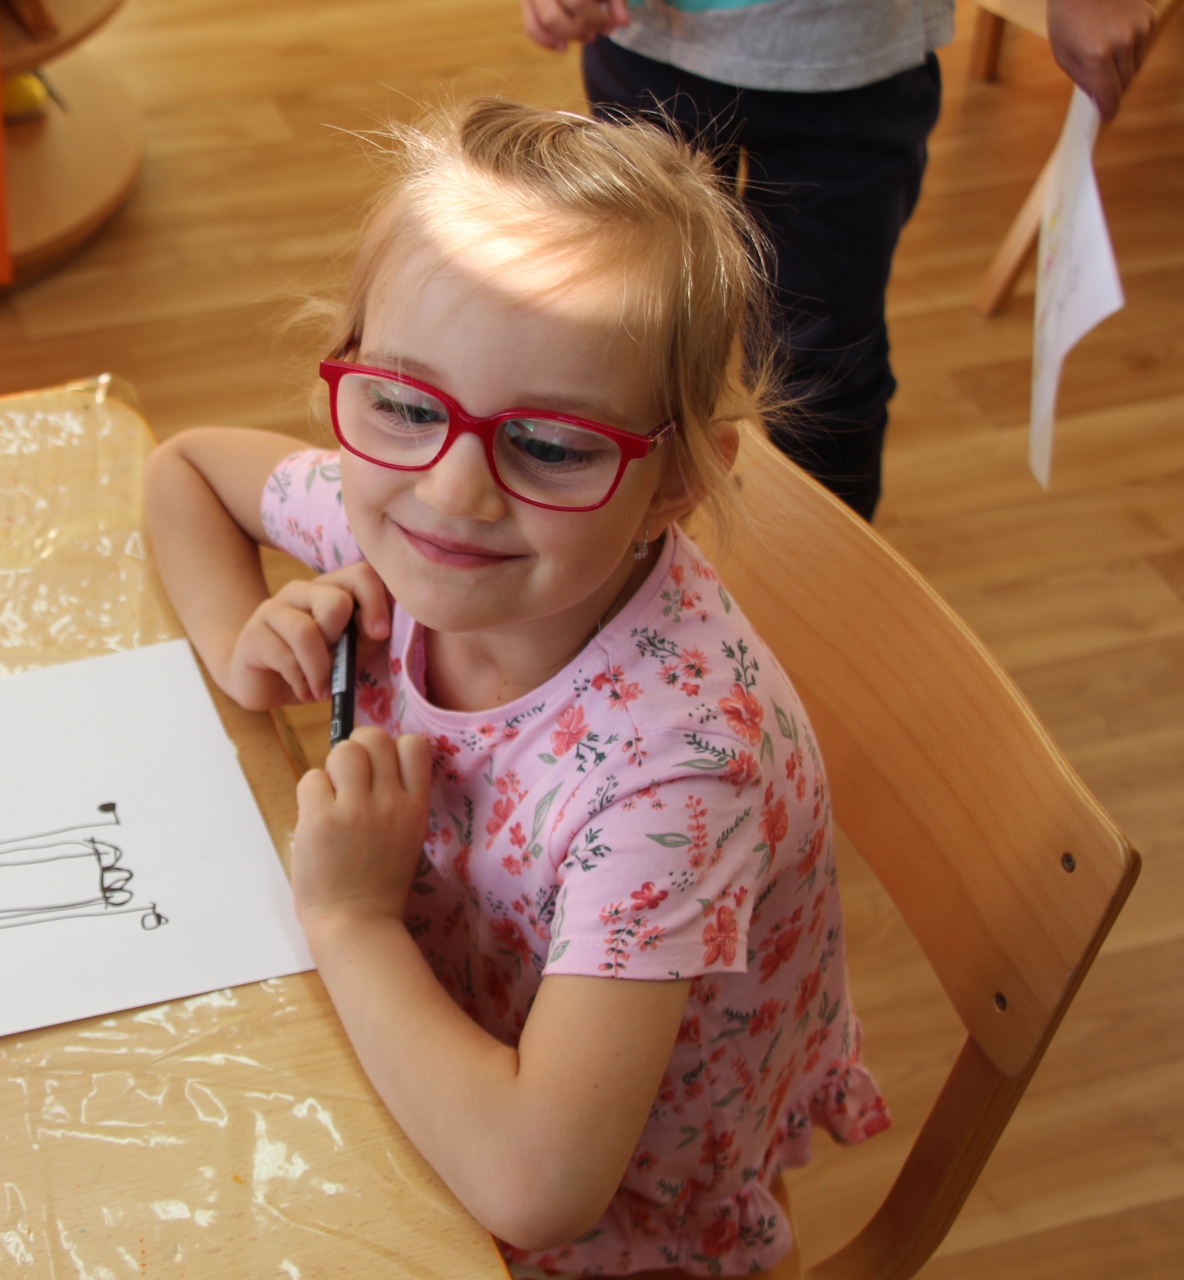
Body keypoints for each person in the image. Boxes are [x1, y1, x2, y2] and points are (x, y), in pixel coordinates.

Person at [145, 101, 887, 1275]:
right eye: (403, 403)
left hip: (602, 1220)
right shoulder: (410, 506)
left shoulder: (678, 776)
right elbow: (182, 471)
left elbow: (538, 1186)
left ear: (677, 482)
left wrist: (350, 917)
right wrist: (243, 637)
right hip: (432, 1038)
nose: (454, 491)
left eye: (549, 444)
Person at [519, 0, 1159, 521]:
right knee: (638, 334)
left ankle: (815, 590)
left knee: (821, 371)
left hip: (855, 67)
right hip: (647, 48)